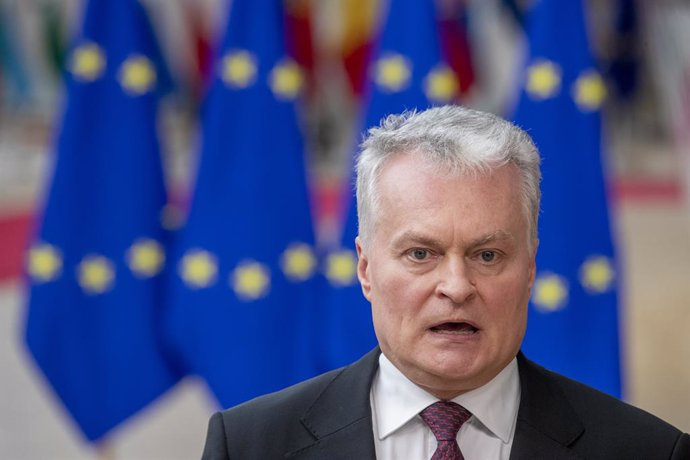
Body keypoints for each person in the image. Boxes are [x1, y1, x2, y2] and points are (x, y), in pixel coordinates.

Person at [201, 105, 690, 459]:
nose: (456, 286)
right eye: (421, 254)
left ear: (530, 269)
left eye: (487, 254)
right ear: (366, 268)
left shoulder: (647, 451)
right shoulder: (249, 444)